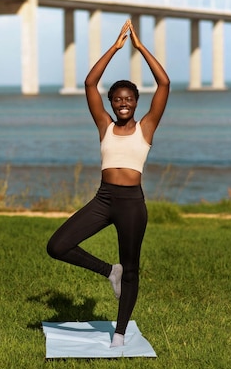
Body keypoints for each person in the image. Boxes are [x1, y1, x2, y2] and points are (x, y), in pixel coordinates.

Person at [46, 20, 170, 348]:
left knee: (132, 268)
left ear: (136, 102)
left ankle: (120, 333)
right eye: (117, 99)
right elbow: (90, 82)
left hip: (132, 203)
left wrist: (140, 48)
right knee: (57, 246)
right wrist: (115, 48)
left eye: (128, 98)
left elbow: (164, 83)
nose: (122, 103)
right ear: (112, 103)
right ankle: (107, 271)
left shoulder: (147, 127)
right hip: (104, 199)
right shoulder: (105, 125)